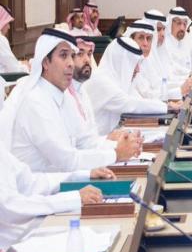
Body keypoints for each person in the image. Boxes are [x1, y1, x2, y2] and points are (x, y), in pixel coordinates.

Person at [3, 29, 138, 172]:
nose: (71, 64)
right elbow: (66, 160)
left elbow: (85, 142)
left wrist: (125, 145)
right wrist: (116, 154)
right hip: (43, 183)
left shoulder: (65, 96)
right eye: (63, 55)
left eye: (72, 56)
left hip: (65, 178)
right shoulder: (35, 101)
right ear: (45, 62)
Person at [0, 142, 112, 249]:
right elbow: (9, 206)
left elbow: (30, 184)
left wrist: (79, 176)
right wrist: (74, 198)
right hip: (11, 246)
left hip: (23, 233)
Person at [86, 37, 182, 135]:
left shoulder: (118, 80)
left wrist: (168, 105)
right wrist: (167, 107)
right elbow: (130, 104)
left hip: (111, 137)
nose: (138, 69)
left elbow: (138, 99)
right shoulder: (101, 80)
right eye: (134, 63)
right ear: (121, 61)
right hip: (98, 141)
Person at [141, 10, 192, 99]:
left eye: (164, 29)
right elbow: (149, 93)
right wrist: (180, 90)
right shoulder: (142, 57)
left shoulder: (159, 49)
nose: (162, 34)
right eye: (158, 30)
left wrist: (189, 81)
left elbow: (167, 78)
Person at [164, 6, 192, 78]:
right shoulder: (164, 43)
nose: (182, 28)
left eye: (185, 24)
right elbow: (172, 69)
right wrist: (190, 74)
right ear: (170, 24)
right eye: (179, 23)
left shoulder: (186, 41)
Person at [0, 4, 28, 73]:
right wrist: (27, 67)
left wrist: (20, 64)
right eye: (7, 23)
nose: (9, 27)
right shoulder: (1, 40)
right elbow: (14, 69)